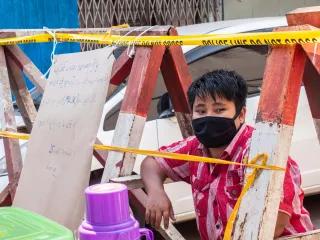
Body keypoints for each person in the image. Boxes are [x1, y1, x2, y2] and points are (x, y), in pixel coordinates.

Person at [141, 70, 313, 239]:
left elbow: (276, 222)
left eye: (219, 109)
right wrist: (156, 192)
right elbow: (152, 162)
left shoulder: (261, 152)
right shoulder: (195, 148)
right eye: (201, 111)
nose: (208, 117)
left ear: (241, 115)